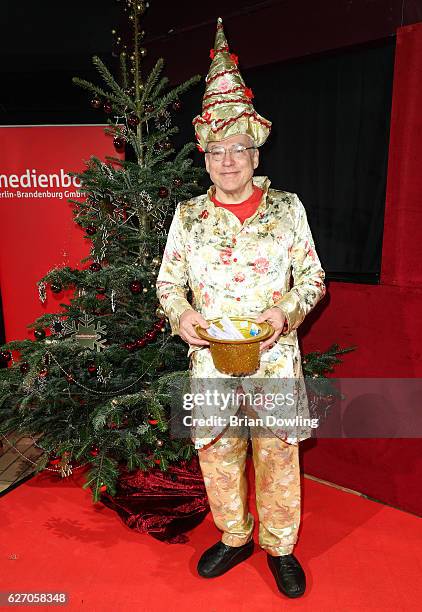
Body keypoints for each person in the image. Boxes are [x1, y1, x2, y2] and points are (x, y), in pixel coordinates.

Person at [156, 17, 326, 599]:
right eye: (216, 150)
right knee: (220, 454)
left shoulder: (287, 209)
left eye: (238, 149)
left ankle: (280, 545)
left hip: (274, 360)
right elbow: (168, 282)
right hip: (210, 364)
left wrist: (288, 312)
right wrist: (179, 316)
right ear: (203, 155)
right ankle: (234, 535)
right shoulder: (187, 217)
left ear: (255, 151)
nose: (227, 160)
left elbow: (313, 277)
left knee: (277, 453)